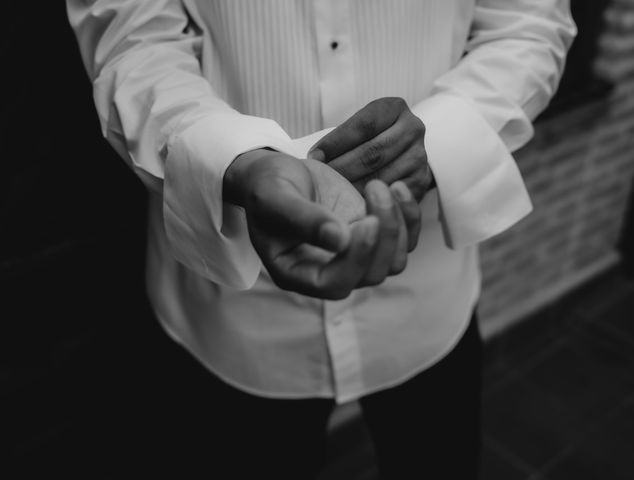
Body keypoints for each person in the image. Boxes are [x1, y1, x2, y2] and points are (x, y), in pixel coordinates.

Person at [67, 1, 575, 478]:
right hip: (235, 311)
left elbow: (528, 23)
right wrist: (231, 162)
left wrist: (438, 140)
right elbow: (133, 37)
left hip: (428, 296)